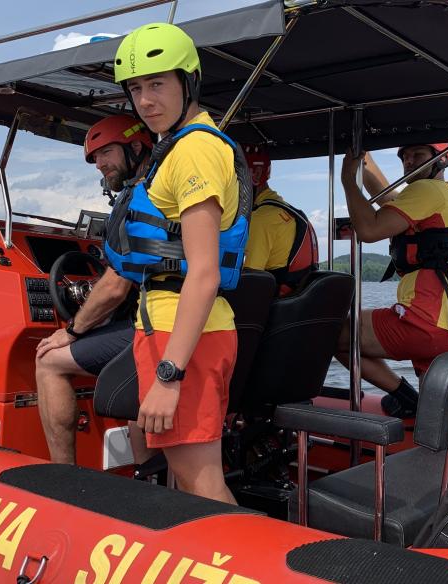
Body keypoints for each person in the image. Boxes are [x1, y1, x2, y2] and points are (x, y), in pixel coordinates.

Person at [105, 22, 252, 503]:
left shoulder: (193, 150)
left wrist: (169, 376)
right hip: (169, 326)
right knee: (185, 472)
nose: (145, 100)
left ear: (188, 83)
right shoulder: (178, 146)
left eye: (157, 84)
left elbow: (204, 272)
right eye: (135, 88)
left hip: (184, 335)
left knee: (200, 479)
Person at [34, 114, 152, 464]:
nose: (100, 164)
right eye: (95, 158)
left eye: (106, 153)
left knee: (47, 360)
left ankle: (63, 475)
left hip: (151, 326)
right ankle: (145, 475)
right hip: (161, 321)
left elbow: (115, 286)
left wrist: (71, 331)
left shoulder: (141, 201)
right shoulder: (152, 191)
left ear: (134, 147)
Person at [338, 143, 448, 418]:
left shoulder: (426, 190)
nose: (409, 162)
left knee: (333, 332)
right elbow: (390, 202)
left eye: (417, 155)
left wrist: (349, 180)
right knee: (437, 417)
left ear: (442, 160)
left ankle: (406, 398)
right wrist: (365, 158)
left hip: (426, 323)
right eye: (405, 157)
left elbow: (370, 229)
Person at [242, 145, 319, 296]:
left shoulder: (261, 219)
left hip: (267, 310)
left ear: (256, 175)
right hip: (292, 304)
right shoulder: (291, 213)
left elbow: (249, 281)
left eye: (234, 178)